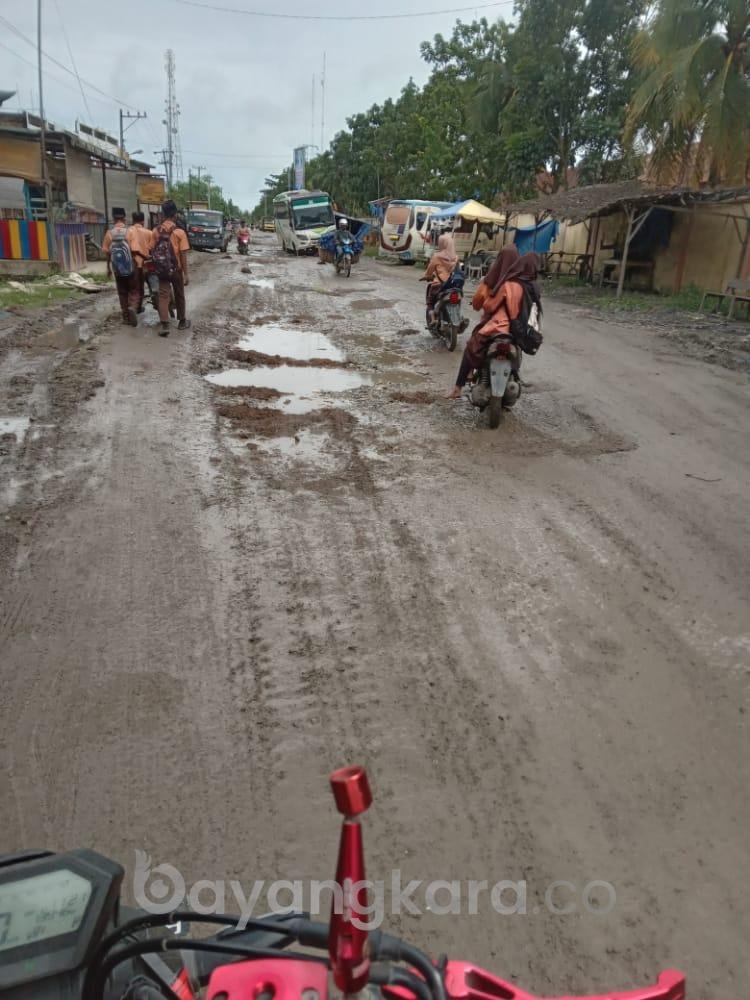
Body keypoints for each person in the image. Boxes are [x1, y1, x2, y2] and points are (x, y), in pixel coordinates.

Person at [446, 247, 539, 399]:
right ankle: (514, 376)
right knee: (517, 351)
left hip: (493, 325)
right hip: (516, 329)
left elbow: (479, 304)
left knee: (472, 346)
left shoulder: (492, 281)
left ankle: (458, 387)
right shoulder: (522, 283)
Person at [147, 200, 191, 337]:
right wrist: (185, 274)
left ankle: (165, 324)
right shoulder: (179, 232)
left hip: (162, 270)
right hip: (176, 269)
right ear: (175, 215)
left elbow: (150, 250)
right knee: (179, 294)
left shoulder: (156, 231)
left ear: (163, 214)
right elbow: (183, 254)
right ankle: (182, 321)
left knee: (163, 295)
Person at [102, 207, 136, 326]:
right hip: (130, 266)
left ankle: (125, 316)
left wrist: (108, 268)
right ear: (124, 218)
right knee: (132, 289)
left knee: (122, 292)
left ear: (113, 218)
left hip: (117, 268)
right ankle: (132, 306)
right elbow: (133, 250)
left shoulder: (109, 233)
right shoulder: (129, 232)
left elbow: (107, 253)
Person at [420, 233, 459, 327]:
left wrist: (426, 276)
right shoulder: (456, 257)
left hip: (439, 285)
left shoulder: (437, 256)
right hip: (454, 286)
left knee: (430, 302)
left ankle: (433, 319)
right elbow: (458, 271)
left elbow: (429, 272)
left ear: (441, 244)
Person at [129, 211, 151, 315]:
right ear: (143, 221)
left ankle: (133, 307)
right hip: (145, 265)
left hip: (131, 265)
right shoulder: (149, 232)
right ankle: (136, 308)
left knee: (134, 288)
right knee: (143, 287)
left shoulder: (128, 232)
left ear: (133, 220)